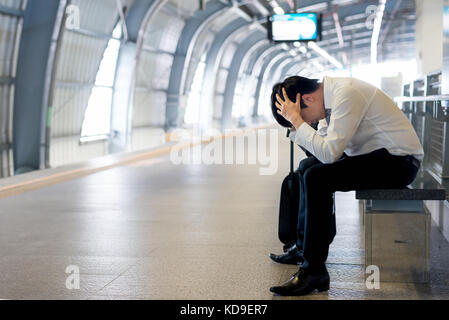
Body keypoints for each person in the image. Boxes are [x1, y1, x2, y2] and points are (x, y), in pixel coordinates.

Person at [270, 75, 424, 296]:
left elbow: (330, 154)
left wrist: (298, 123)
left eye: (303, 116)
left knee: (317, 177)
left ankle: (313, 270)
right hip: (373, 155)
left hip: (399, 162)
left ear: (308, 99)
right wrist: (299, 123)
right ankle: (304, 249)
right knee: (306, 168)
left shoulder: (346, 94)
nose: (308, 123)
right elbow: (321, 150)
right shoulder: (327, 100)